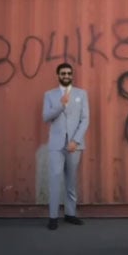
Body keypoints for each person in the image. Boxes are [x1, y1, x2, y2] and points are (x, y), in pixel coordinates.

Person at [42, 62, 90, 230]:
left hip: (74, 145)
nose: (66, 75)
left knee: (71, 180)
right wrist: (60, 105)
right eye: (63, 73)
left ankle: (70, 214)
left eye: (69, 73)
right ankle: (53, 217)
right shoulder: (49, 95)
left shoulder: (81, 94)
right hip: (56, 144)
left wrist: (75, 141)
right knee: (55, 179)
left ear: (72, 75)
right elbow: (46, 117)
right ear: (58, 75)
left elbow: (85, 119)